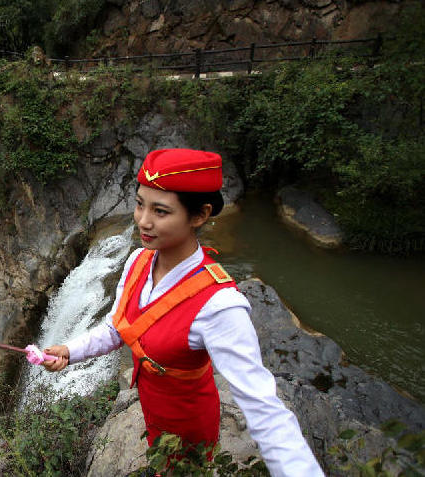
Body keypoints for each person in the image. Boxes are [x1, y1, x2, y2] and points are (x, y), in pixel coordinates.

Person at [41, 149, 324, 477]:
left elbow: (264, 410)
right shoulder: (139, 261)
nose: (143, 221)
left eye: (160, 211)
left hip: (189, 429)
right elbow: (120, 326)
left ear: (200, 215)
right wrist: (70, 351)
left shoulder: (219, 305)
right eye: (139, 204)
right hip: (153, 414)